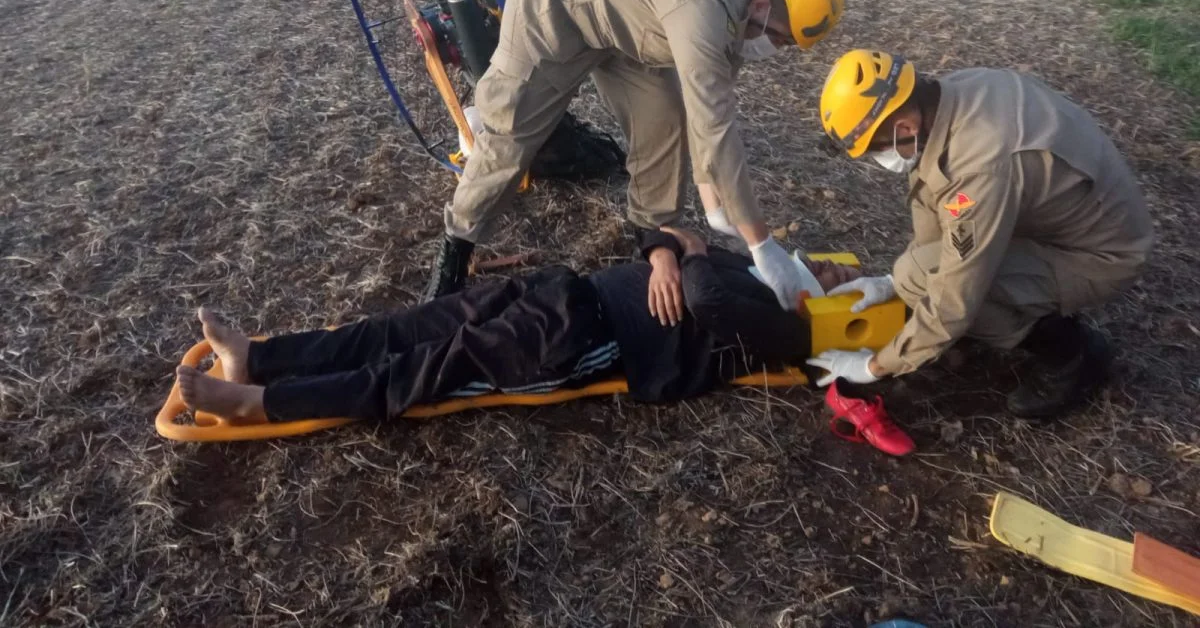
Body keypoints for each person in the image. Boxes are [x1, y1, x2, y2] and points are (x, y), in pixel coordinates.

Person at [423, 0, 846, 309]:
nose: (776, 47)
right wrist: (761, 244)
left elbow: (707, 117)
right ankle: (456, 245)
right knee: (511, 131)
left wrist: (719, 213)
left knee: (664, 116)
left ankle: (651, 232)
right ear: (761, 5)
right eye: (781, 37)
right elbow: (717, 131)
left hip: (627, 19)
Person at [177, 229, 860, 424]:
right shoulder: (759, 271)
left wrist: (691, 255)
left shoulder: (789, 330)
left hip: (584, 343)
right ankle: (260, 358)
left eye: (833, 278)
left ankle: (258, 403)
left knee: (423, 367)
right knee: (401, 327)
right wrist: (664, 251)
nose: (822, 269)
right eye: (828, 267)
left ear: (824, 306)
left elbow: (707, 298)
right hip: (564, 289)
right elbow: (665, 229)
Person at [806, 50, 1154, 419]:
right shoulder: (953, 95)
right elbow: (932, 192)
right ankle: (973, 313)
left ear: (905, 127)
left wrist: (876, 365)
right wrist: (897, 283)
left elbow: (957, 294)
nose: (878, 158)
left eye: (875, 149)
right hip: (1056, 220)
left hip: (1097, 256)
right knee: (915, 276)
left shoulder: (981, 168)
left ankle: (1071, 354)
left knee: (949, 293)